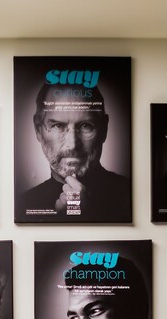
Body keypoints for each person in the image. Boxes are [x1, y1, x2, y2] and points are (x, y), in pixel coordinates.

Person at [19, 83, 129, 221]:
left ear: (104, 129)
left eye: (85, 125)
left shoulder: (129, 194)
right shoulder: (23, 205)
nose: (72, 145)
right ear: (38, 130)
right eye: (57, 125)